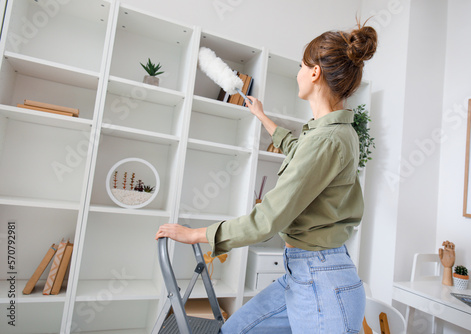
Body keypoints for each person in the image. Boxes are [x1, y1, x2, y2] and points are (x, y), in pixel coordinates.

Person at [155, 19, 377, 334]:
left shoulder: (326, 140)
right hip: (303, 272)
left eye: (302, 66)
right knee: (232, 331)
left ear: (314, 73)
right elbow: (298, 149)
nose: (298, 72)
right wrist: (262, 116)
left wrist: (195, 234)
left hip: (322, 282)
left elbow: (266, 221)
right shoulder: (331, 133)